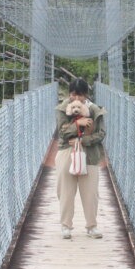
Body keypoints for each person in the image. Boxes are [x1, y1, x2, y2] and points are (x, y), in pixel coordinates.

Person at [55, 78, 106, 240]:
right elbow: (62, 133)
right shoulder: (63, 108)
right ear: (69, 94)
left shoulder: (95, 110)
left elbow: (101, 134)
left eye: (80, 95)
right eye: (73, 95)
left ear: (86, 95)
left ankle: (92, 226)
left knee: (90, 192)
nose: (76, 99)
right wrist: (78, 124)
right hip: (67, 151)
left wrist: (83, 140)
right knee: (65, 191)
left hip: (89, 154)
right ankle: (66, 226)